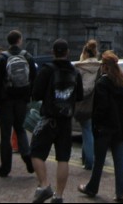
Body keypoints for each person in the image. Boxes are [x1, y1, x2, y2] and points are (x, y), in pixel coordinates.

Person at [30, 38, 83, 204]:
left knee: (36, 153)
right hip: (66, 120)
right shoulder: (75, 72)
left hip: (49, 118)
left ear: (53, 52)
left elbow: (36, 94)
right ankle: (59, 196)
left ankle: (45, 184)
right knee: (63, 158)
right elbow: (79, 96)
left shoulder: (47, 70)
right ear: (67, 52)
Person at [78, 51, 123, 202]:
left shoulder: (103, 83)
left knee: (99, 160)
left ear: (105, 66)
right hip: (120, 126)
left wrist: (96, 122)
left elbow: (101, 107)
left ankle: (92, 187)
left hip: (105, 127)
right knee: (119, 159)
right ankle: (122, 191)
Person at [0, 29, 37, 178]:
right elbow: (34, 79)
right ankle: (27, 154)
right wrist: (29, 96)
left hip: (5, 100)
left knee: (5, 135)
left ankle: (5, 168)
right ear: (19, 40)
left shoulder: (1, 58)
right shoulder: (27, 56)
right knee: (20, 129)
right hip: (22, 100)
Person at [75, 39, 102, 171]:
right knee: (89, 131)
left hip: (83, 104)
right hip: (96, 103)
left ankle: (89, 161)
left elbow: (81, 89)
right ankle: (86, 157)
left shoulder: (80, 67)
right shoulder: (99, 67)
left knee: (86, 131)